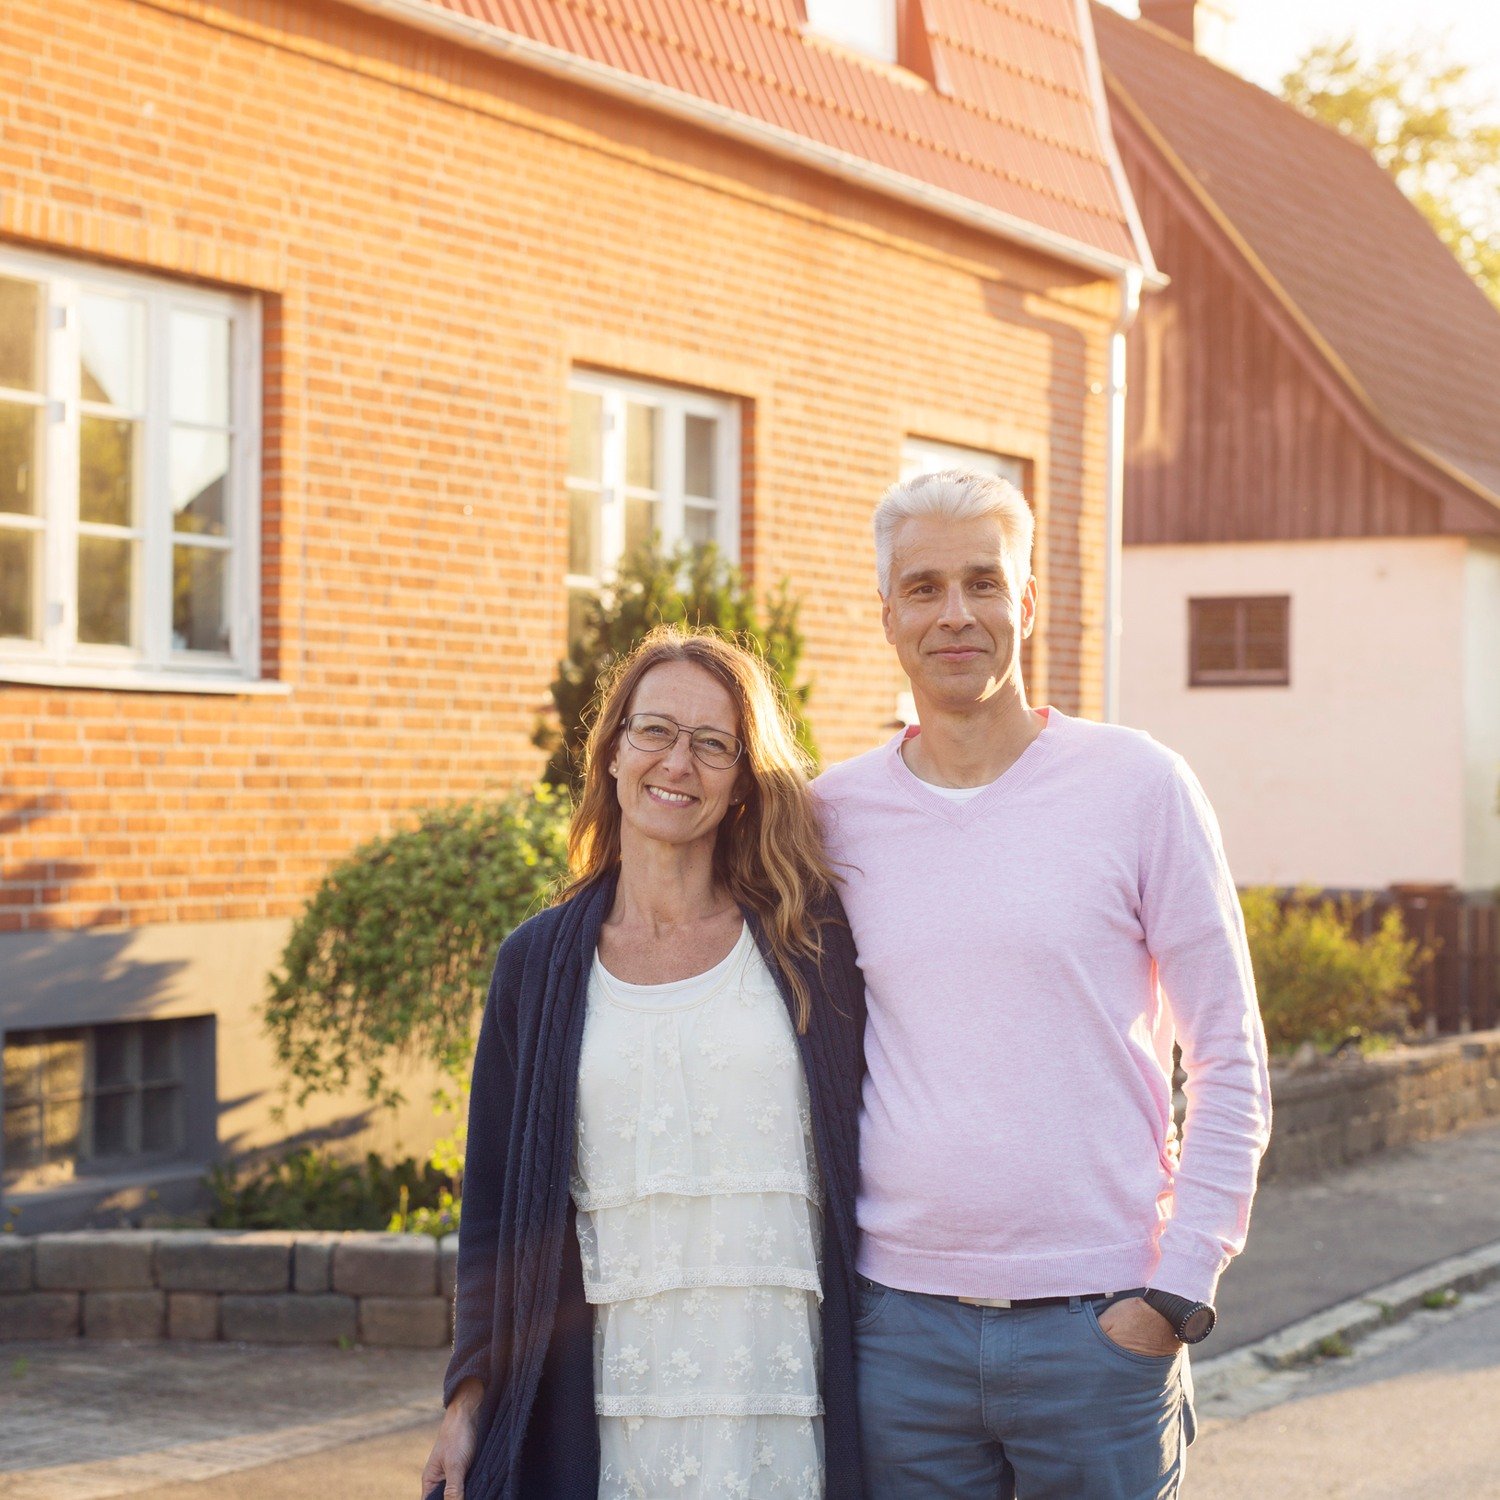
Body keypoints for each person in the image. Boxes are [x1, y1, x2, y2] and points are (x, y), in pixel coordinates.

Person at [812, 469, 1273, 1499]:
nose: (956, 613)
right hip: (899, 1333)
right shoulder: (832, 816)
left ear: (1027, 603)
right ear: (886, 613)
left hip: (1101, 1330)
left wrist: (1177, 1292)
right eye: (924, 588)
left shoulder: (1139, 785)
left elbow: (1232, 1054)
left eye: (984, 582)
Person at [421, 625, 866, 1500]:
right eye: (654, 730)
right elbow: (494, 1205)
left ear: (742, 780)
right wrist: (467, 1399)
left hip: (787, 1394)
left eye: (713, 744)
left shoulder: (809, 945)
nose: (678, 762)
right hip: (613, 1403)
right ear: (613, 750)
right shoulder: (537, 965)